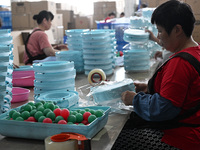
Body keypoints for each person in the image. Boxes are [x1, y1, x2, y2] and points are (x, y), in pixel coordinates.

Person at [115, 1, 200, 150]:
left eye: (160, 31)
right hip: (192, 130)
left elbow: (163, 109)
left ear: (177, 30)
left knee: (117, 141)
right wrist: (148, 88)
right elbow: (182, 94)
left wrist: (134, 99)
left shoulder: (180, 63)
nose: (159, 37)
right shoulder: (196, 52)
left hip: (181, 138)